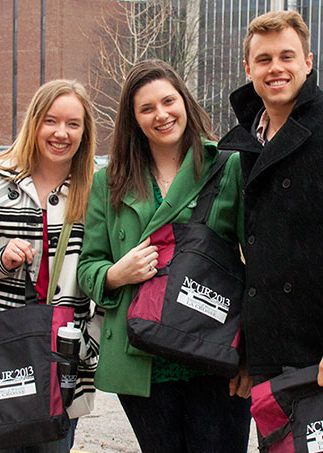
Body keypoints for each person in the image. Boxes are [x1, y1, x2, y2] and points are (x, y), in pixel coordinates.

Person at [77, 59, 251, 453]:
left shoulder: (227, 168)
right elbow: (88, 266)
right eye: (146, 108)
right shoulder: (110, 181)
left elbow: (255, 266)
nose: (161, 115)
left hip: (214, 354)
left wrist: (250, 357)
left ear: (184, 102)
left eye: (168, 101)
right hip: (142, 358)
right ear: (133, 119)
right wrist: (115, 274)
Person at [217, 10, 323, 389]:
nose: (275, 68)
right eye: (263, 59)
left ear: (308, 63)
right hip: (270, 355)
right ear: (248, 69)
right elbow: (256, 261)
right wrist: (249, 349)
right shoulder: (249, 142)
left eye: (286, 56)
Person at [0, 80, 101, 453]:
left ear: (85, 132)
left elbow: (107, 273)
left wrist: (89, 341)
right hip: (0, 350)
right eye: (50, 121)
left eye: (73, 124)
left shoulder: (96, 189)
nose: (61, 133)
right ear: (34, 123)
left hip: (61, 357)